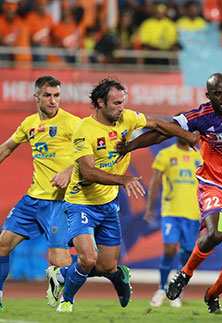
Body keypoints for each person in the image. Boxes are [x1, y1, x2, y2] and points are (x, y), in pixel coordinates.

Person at [116, 73, 222, 314]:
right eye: (217, 94)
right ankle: (184, 274)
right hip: (213, 185)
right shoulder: (200, 116)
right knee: (216, 233)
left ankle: (212, 296)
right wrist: (130, 146)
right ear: (208, 96)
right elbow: (162, 133)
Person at [46, 77, 199, 312]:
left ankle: (71, 276)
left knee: (107, 267)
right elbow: (87, 172)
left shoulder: (126, 118)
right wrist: (123, 180)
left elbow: (158, 125)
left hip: (108, 205)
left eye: (123, 102)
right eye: (116, 103)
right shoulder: (83, 130)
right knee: (87, 259)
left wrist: (187, 135)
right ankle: (66, 302)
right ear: (100, 102)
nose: (121, 107)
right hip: (81, 202)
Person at [0, 75, 79, 310]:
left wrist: (68, 170)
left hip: (59, 202)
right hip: (33, 200)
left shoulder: (73, 123)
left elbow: (91, 154)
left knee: (59, 262)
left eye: (56, 95)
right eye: (47, 95)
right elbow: (6, 148)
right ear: (37, 97)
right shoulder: (29, 124)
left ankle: (110, 272)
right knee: (3, 244)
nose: (53, 100)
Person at [146, 138, 203, 308]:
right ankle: (162, 288)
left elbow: (207, 183)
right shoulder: (166, 154)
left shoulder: (200, 156)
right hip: (171, 212)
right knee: (170, 249)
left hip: (193, 214)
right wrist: (149, 208)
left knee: (187, 254)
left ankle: (177, 291)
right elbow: (155, 181)